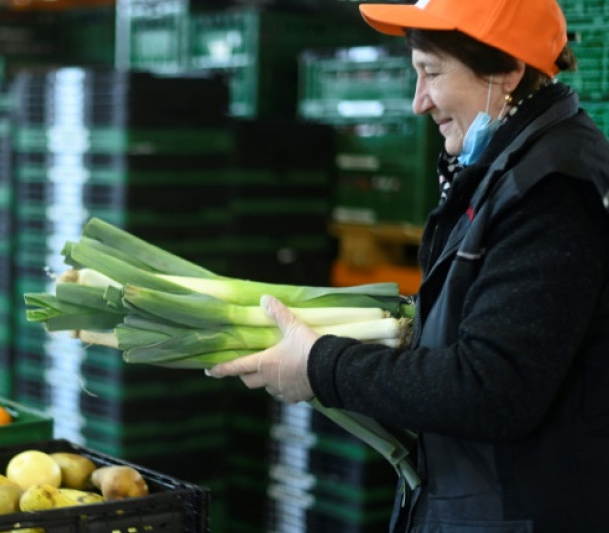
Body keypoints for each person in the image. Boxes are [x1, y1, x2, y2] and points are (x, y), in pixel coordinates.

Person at [207, 0, 609, 531]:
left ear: (508, 69)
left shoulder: (552, 191)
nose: (419, 101)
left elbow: (490, 389)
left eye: (432, 73)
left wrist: (321, 366)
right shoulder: (505, 168)